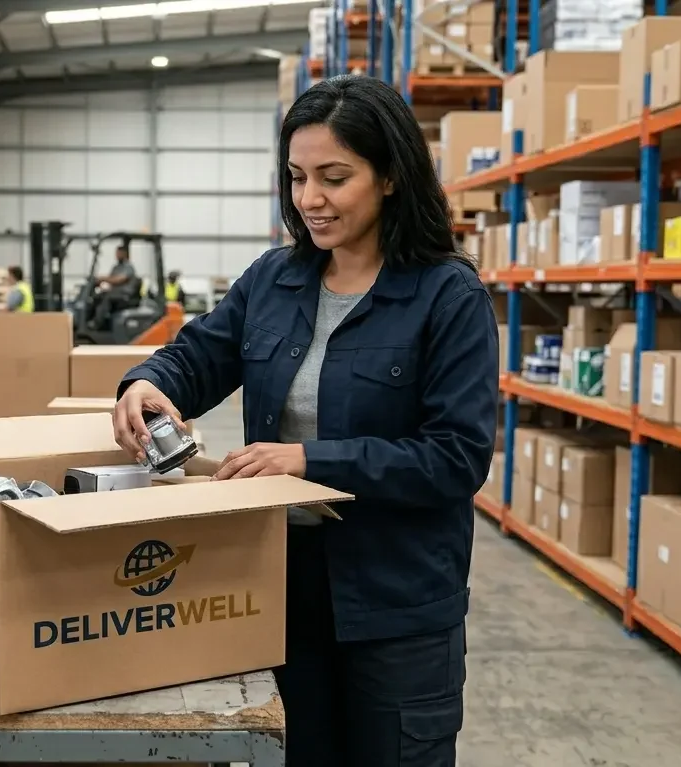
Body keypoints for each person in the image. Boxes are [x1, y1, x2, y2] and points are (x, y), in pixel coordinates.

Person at [111, 75, 498, 767]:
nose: (309, 199)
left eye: (334, 176)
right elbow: (198, 354)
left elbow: (456, 457)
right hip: (282, 586)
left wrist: (310, 460)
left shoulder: (448, 296)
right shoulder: (275, 279)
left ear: (388, 177)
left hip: (396, 603)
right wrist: (147, 382)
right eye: (296, 177)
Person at [90, 244, 139, 330]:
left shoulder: (128, 267)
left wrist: (103, 279)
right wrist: (99, 283)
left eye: (119, 253)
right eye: (116, 253)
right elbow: (111, 280)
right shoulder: (116, 267)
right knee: (97, 296)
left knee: (107, 298)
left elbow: (119, 279)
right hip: (116, 292)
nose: (117, 255)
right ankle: (95, 321)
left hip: (124, 294)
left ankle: (97, 323)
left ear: (124, 254)